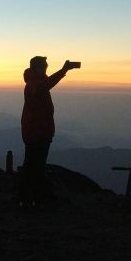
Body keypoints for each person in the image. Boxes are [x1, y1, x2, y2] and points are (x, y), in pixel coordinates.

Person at [19, 56, 79, 207]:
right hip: (37, 132)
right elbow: (45, 87)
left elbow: (45, 86)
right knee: (35, 166)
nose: (47, 67)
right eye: (45, 65)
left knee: (33, 165)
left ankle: (28, 198)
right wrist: (63, 70)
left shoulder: (34, 82)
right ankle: (34, 199)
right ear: (38, 67)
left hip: (36, 131)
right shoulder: (35, 84)